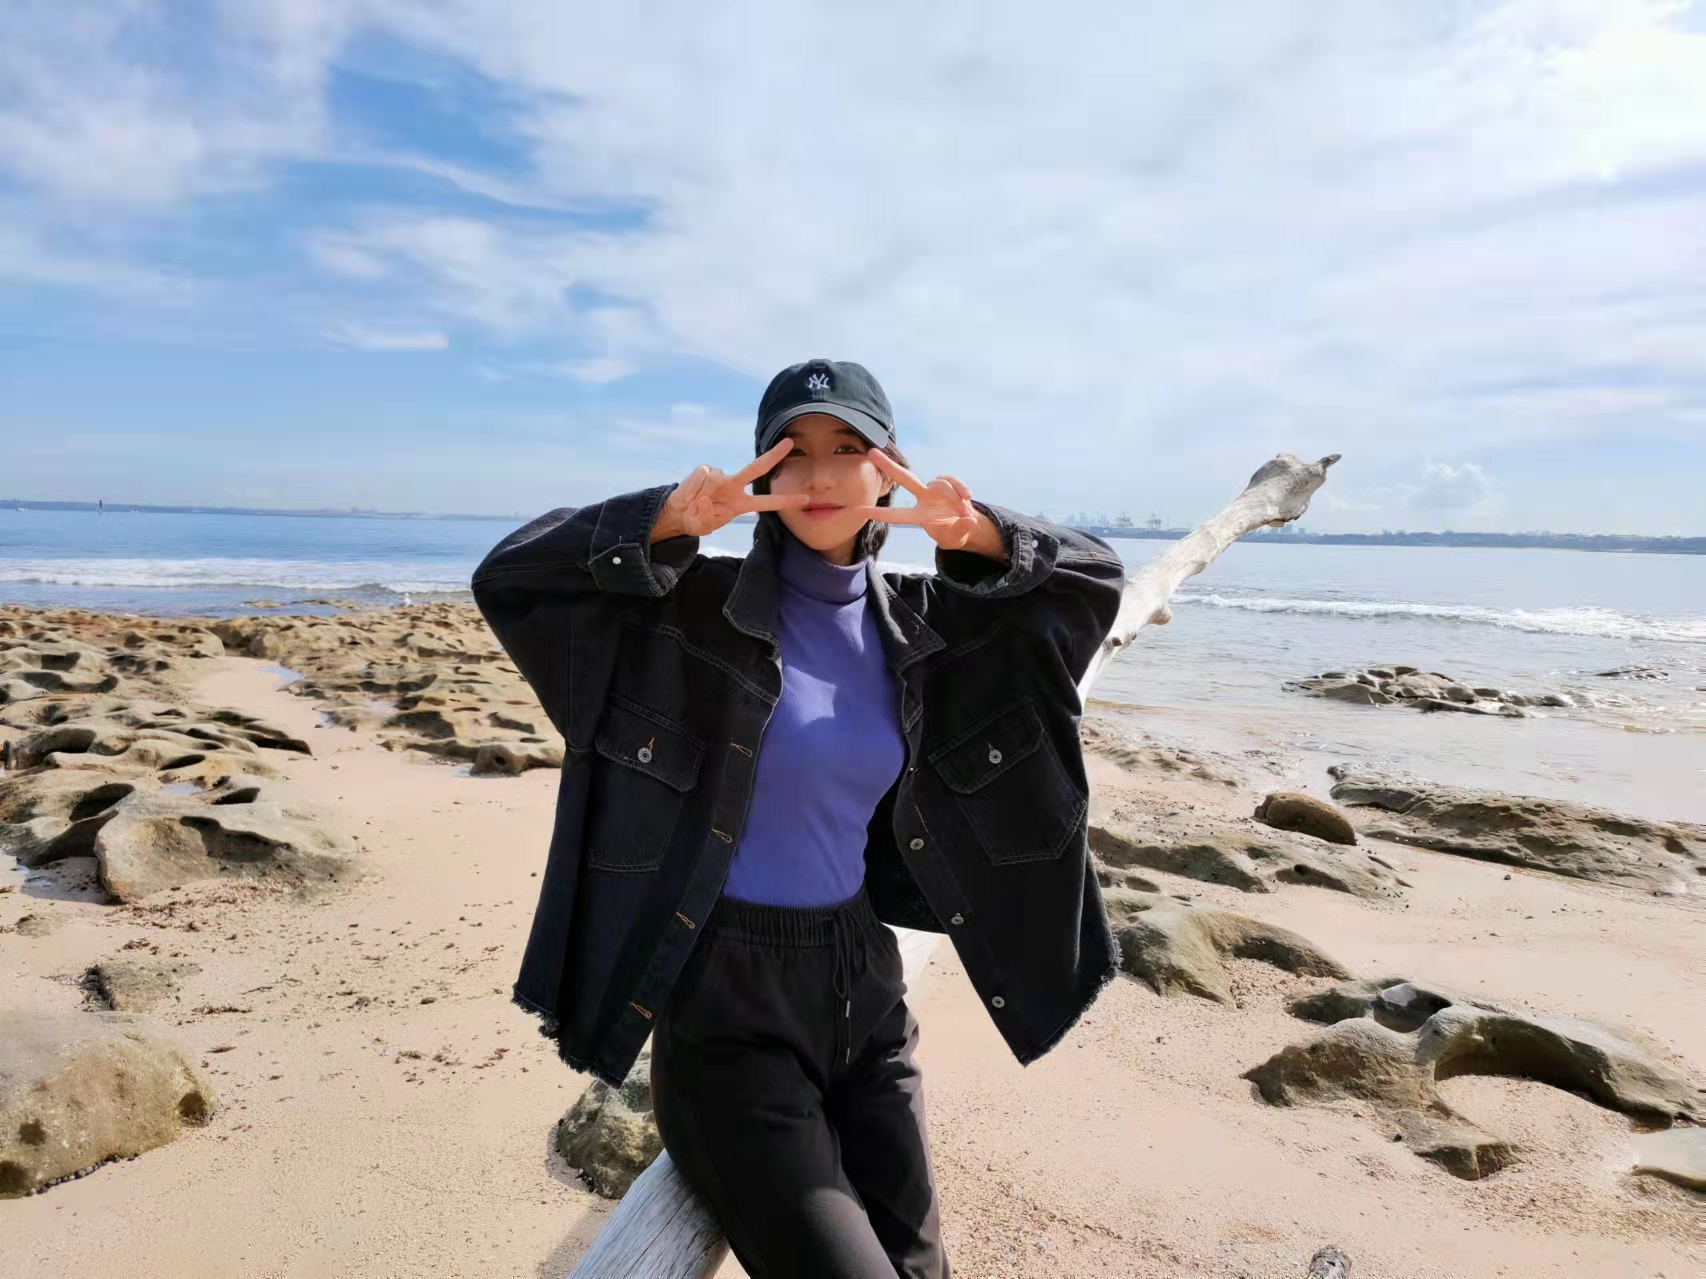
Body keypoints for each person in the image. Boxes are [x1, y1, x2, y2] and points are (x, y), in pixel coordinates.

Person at [471, 358, 1126, 1278]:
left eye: (847, 448)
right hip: (727, 1015)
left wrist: (976, 533)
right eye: (793, 451)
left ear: (888, 469)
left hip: (866, 986)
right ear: (762, 470)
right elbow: (512, 579)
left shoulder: (924, 628)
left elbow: (1092, 583)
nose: (819, 475)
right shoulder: (685, 618)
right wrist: (667, 521)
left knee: (923, 1269)